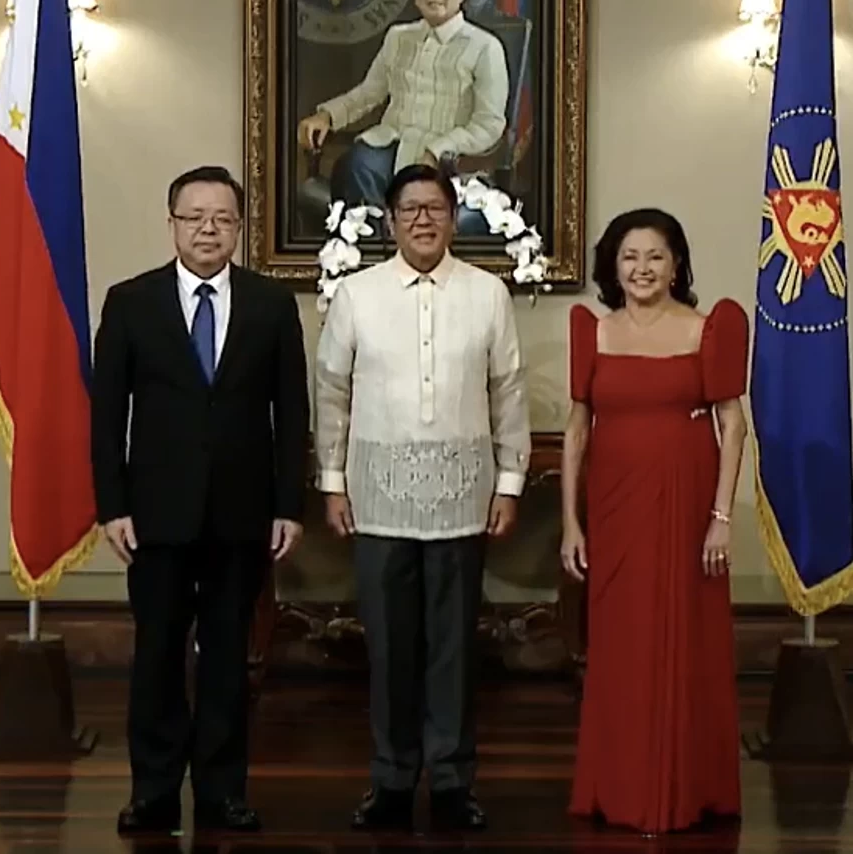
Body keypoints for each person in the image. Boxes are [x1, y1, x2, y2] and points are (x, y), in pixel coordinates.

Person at [90, 165, 310, 836]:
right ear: (173, 224)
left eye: (222, 219)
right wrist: (112, 505)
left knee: (225, 660)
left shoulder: (272, 305)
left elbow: (290, 413)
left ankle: (222, 792)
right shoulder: (130, 302)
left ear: (239, 229)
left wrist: (288, 505)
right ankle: (153, 792)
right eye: (195, 217)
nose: (208, 229)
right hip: (153, 518)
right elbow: (106, 417)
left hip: (242, 517)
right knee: (156, 655)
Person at [314, 163, 530, 832]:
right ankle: (391, 779)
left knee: (453, 650)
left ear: (452, 215)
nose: (423, 220)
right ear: (390, 218)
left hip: (465, 499)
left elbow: (509, 393)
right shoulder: (356, 294)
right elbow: (332, 393)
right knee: (390, 648)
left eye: (435, 207)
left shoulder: (488, 293)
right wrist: (330, 481)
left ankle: (453, 780)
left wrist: (510, 482)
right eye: (410, 209)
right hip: (377, 498)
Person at [561, 208, 748, 835]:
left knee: (686, 639)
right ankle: (620, 789)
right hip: (615, 509)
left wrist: (722, 517)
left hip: (690, 504)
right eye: (629, 258)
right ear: (612, 268)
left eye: (655, 257)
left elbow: (733, 423)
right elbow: (577, 430)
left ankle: (687, 789)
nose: (641, 269)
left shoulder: (708, 328)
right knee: (622, 644)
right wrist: (570, 522)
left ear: (676, 265)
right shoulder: (593, 329)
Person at [297, 0, 509, 228]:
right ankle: (372, 255)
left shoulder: (485, 47)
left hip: (449, 158)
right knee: (355, 166)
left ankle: (404, 252)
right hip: (392, 143)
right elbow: (369, 93)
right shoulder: (398, 37)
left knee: (422, 190)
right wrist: (326, 115)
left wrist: (439, 150)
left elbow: (489, 123)